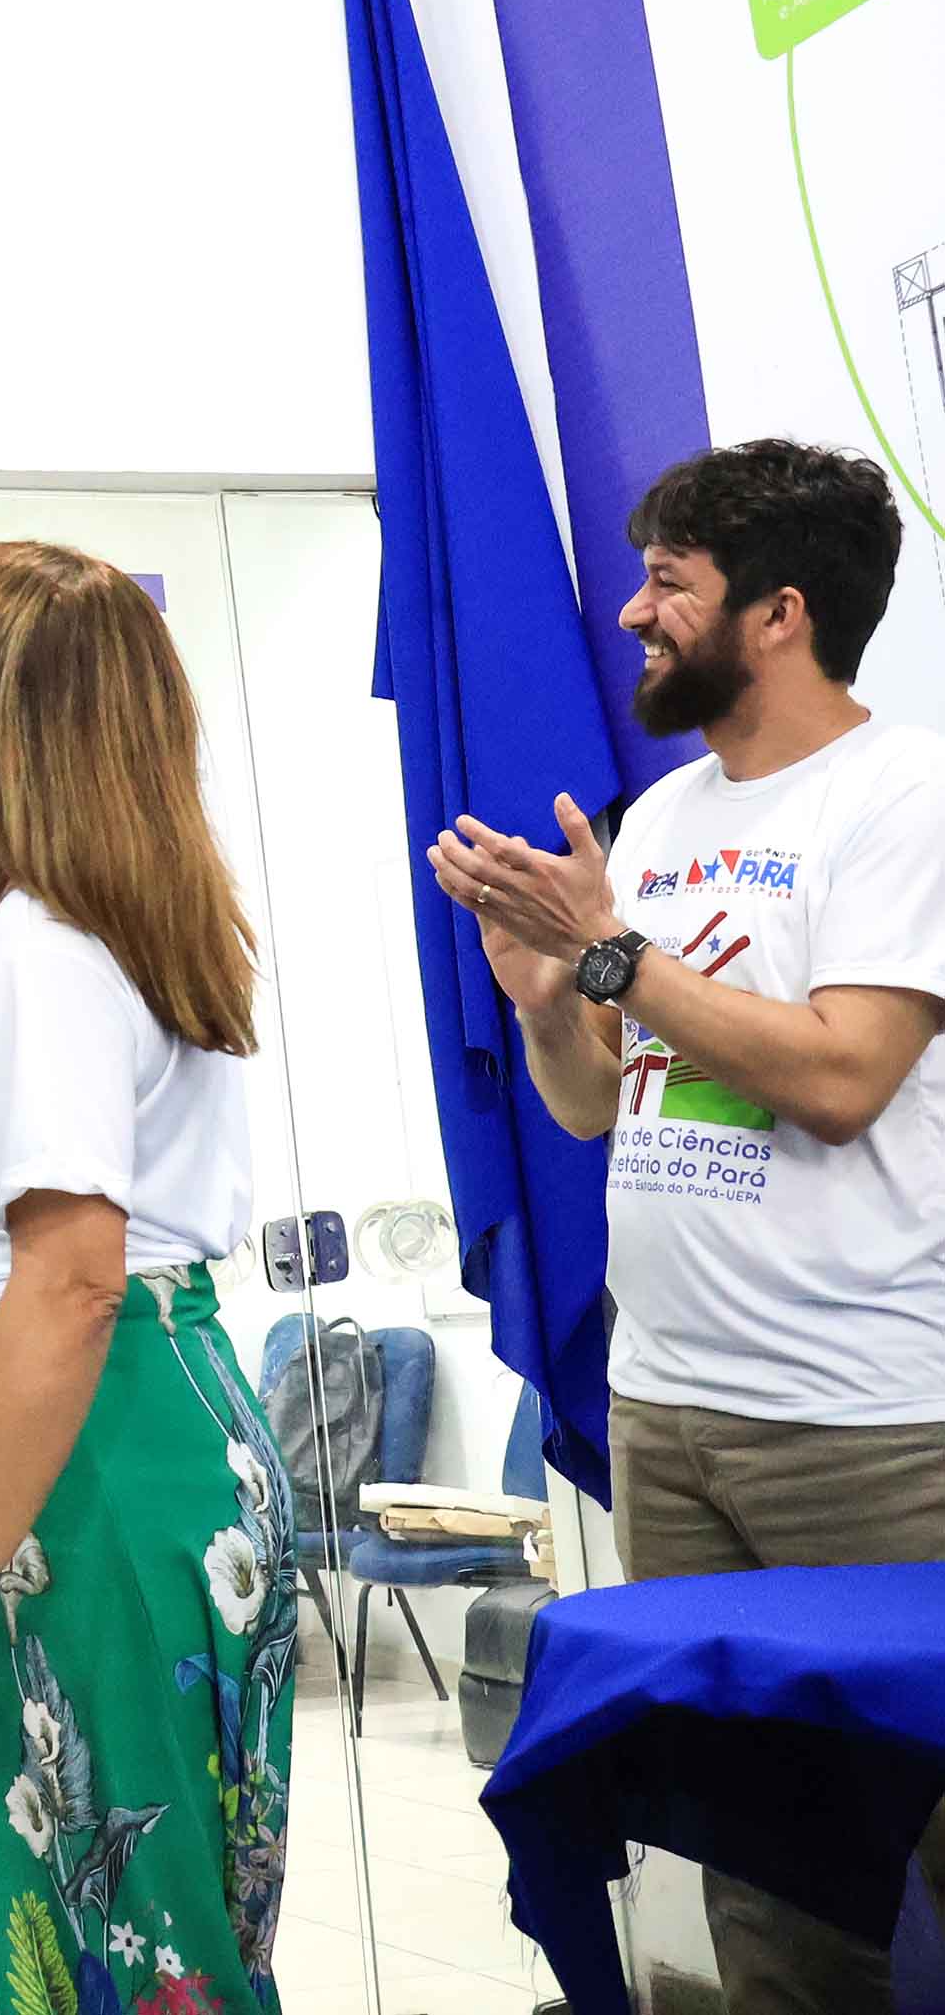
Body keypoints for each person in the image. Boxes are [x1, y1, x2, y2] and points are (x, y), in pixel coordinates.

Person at [431, 438, 943, 2015]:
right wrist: (546, 997)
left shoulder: (901, 795)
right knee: (761, 1871)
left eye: (668, 581)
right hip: (667, 1414)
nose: (632, 611)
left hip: (863, 1424)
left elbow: (841, 1077)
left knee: (930, 1840)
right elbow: (598, 1101)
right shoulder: (654, 818)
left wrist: (610, 957)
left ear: (777, 614)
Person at [0, 541, 299, 2014]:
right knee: (142, 1925)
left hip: (99, 1464)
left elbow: (69, 1279)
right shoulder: (126, 922)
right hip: (147, 1444)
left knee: (129, 1943)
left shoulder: (42, 951)